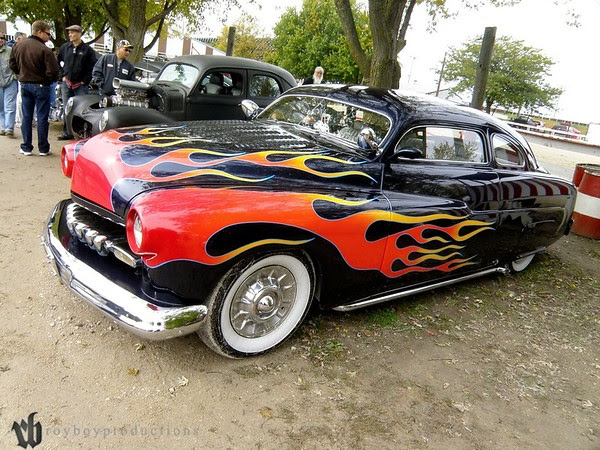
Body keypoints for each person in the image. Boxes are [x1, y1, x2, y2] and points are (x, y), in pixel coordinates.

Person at [9, 20, 59, 156]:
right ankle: (43, 148)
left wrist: (21, 73)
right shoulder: (45, 50)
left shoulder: (18, 46)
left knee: (26, 116)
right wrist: (48, 80)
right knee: (42, 118)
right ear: (40, 32)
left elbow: (12, 64)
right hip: (41, 85)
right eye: (48, 34)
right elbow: (53, 71)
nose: (49, 37)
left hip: (25, 84)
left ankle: (26, 147)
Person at [57, 24, 96, 140]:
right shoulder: (65, 48)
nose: (70, 34)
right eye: (69, 32)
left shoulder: (88, 50)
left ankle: (79, 133)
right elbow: (57, 62)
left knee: (81, 109)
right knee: (66, 108)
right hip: (66, 83)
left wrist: (85, 81)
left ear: (79, 34)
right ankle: (67, 132)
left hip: (81, 85)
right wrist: (62, 76)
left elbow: (92, 67)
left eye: (72, 32)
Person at [0, 35, 18, 137]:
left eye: (2, 38)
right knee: (0, 107)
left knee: (10, 105)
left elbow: (16, 63)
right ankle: (3, 127)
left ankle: (9, 128)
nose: (0, 40)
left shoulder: (11, 50)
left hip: (10, 81)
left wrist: (16, 75)